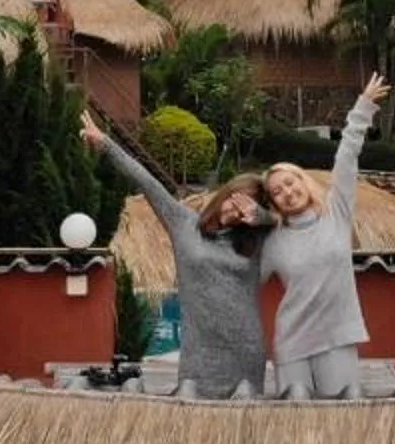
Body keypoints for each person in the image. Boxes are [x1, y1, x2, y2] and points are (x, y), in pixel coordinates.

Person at [81, 112, 272, 399]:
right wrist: (107, 145)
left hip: (245, 349)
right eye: (233, 202)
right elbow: (147, 182)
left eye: (244, 210)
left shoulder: (255, 238)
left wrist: (261, 217)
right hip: (200, 350)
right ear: (225, 194)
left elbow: (291, 220)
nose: (233, 213)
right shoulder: (184, 224)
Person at [257, 73, 390, 399]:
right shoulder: (272, 240)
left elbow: (346, 159)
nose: (287, 193)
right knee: (295, 418)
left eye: (291, 183)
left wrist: (363, 109)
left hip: (336, 337)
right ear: (273, 202)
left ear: (303, 182)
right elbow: (244, 281)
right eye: (277, 192)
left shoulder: (336, 214)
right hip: (291, 342)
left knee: (341, 414)